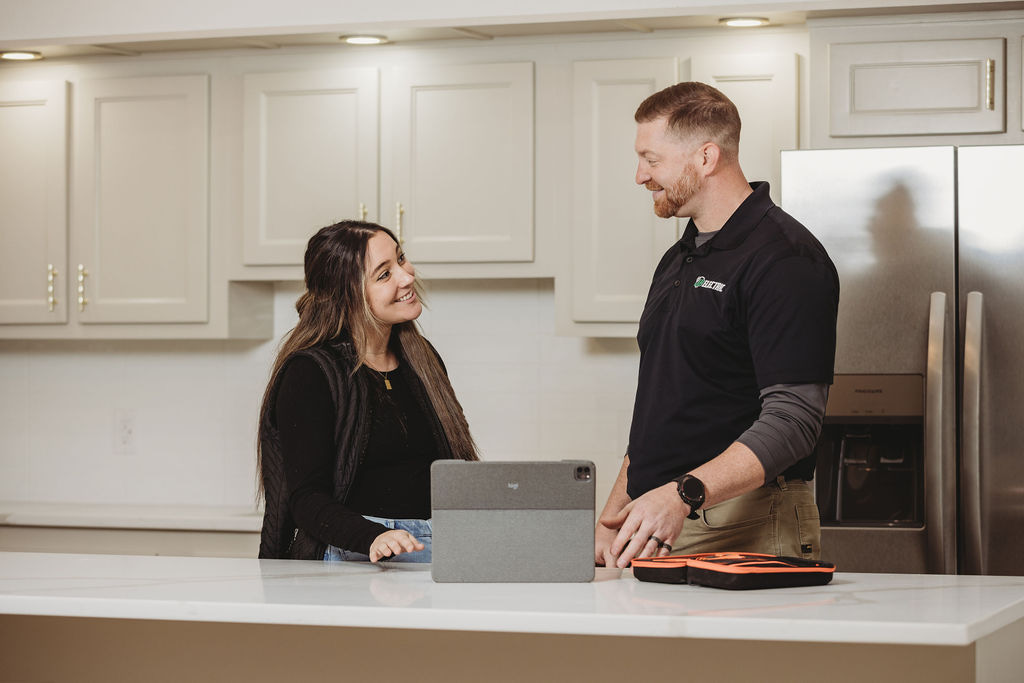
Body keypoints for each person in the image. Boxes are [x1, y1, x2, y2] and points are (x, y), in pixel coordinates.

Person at [595, 82, 839, 569]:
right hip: (665, 521)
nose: (640, 175)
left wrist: (683, 494)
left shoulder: (784, 258)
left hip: (746, 522)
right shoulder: (679, 257)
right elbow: (665, 406)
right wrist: (615, 514)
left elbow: (793, 422)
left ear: (706, 157)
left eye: (652, 159)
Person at [257, 220, 478, 563]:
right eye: (384, 274)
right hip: (355, 553)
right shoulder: (310, 373)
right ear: (347, 296)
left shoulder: (423, 359)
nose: (407, 277)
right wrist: (374, 537)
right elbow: (306, 499)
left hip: (442, 546)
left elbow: (452, 470)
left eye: (401, 260)